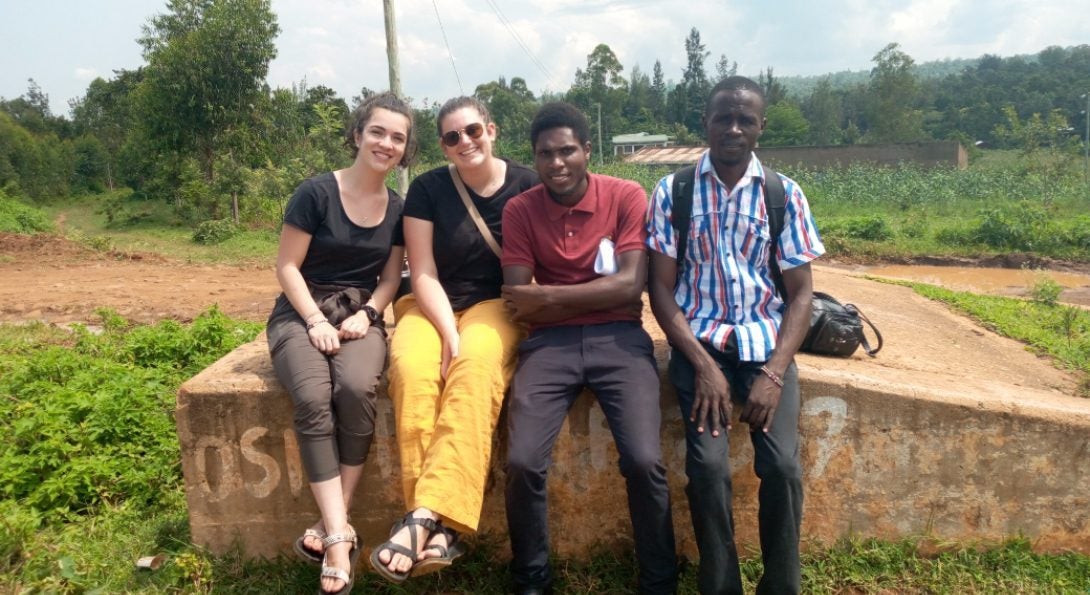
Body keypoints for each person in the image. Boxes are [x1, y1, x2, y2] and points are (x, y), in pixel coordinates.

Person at [646, 76, 825, 594]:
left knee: (784, 468)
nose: (733, 128)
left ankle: (781, 586)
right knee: (706, 470)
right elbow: (660, 291)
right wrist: (703, 367)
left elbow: (800, 295)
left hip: (766, 351)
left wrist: (772, 374)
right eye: (723, 117)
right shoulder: (673, 191)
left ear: (761, 127)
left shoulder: (782, 195)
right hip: (700, 350)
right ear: (705, 122)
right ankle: (720, 587)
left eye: (745, 119)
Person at [501, 101, 678, 595]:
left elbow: (629, 288)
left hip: (619, 340)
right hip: (548, 347)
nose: (557, 164)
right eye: (545, 155)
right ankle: (531, 578)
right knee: (522, 463)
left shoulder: (624, 195)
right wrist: (566, 301)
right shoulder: (520, 209)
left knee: (644, 459)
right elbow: (519, 301)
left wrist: (550, 296)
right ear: (534, 159)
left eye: (567, 151)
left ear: (587, 150)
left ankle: (660, 579)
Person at [369, 96, 538, 583]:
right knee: (412, 369)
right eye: (451, 137)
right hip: (430, 303)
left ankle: (422, 517)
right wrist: (447, 333)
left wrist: (462, 342)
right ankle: (442, 527)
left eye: (472, 131)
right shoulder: (427, 189)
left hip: (498, 305)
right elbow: (420, 271)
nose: (465, 142)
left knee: (475, 367)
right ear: (443, 146)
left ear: (491, 129)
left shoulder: (527, 184)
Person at [267, 91, 415, 595]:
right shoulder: (314, 194)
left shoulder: (398, 208)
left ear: (404, 149)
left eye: (398, 137)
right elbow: (287, 266)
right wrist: (314, 321)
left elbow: (392, 278)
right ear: (357, 135)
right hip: (301, 311)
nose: (386, 143)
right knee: (312, 397)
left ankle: (335, 522)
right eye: (378, 132)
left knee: (355, 389)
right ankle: (337, 537)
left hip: (360, 317)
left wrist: (369, 314)